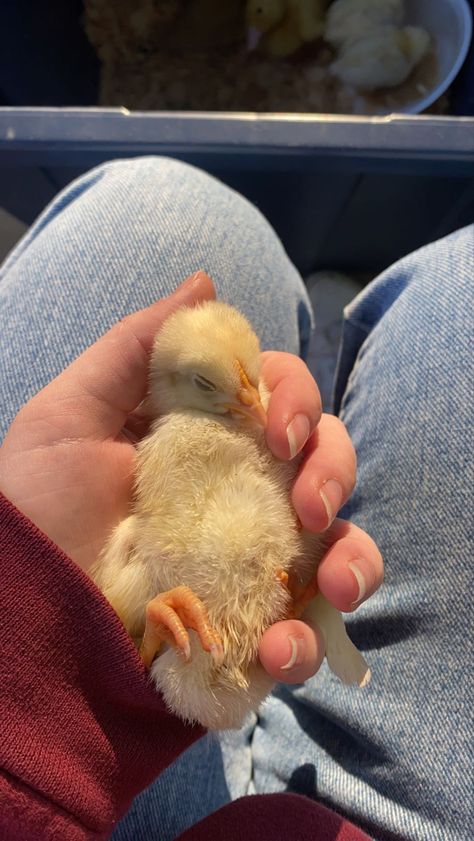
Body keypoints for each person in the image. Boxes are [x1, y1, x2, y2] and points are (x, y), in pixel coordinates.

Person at [0, 157, 471, 841]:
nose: (251, 401)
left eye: (250, 379)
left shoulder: (190, 435)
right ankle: (339, 324)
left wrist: (33, 695)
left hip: (71, 766)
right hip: (202, 701)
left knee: (173, 203)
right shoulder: (171, 446)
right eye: (221, 387)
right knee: (458, 296)